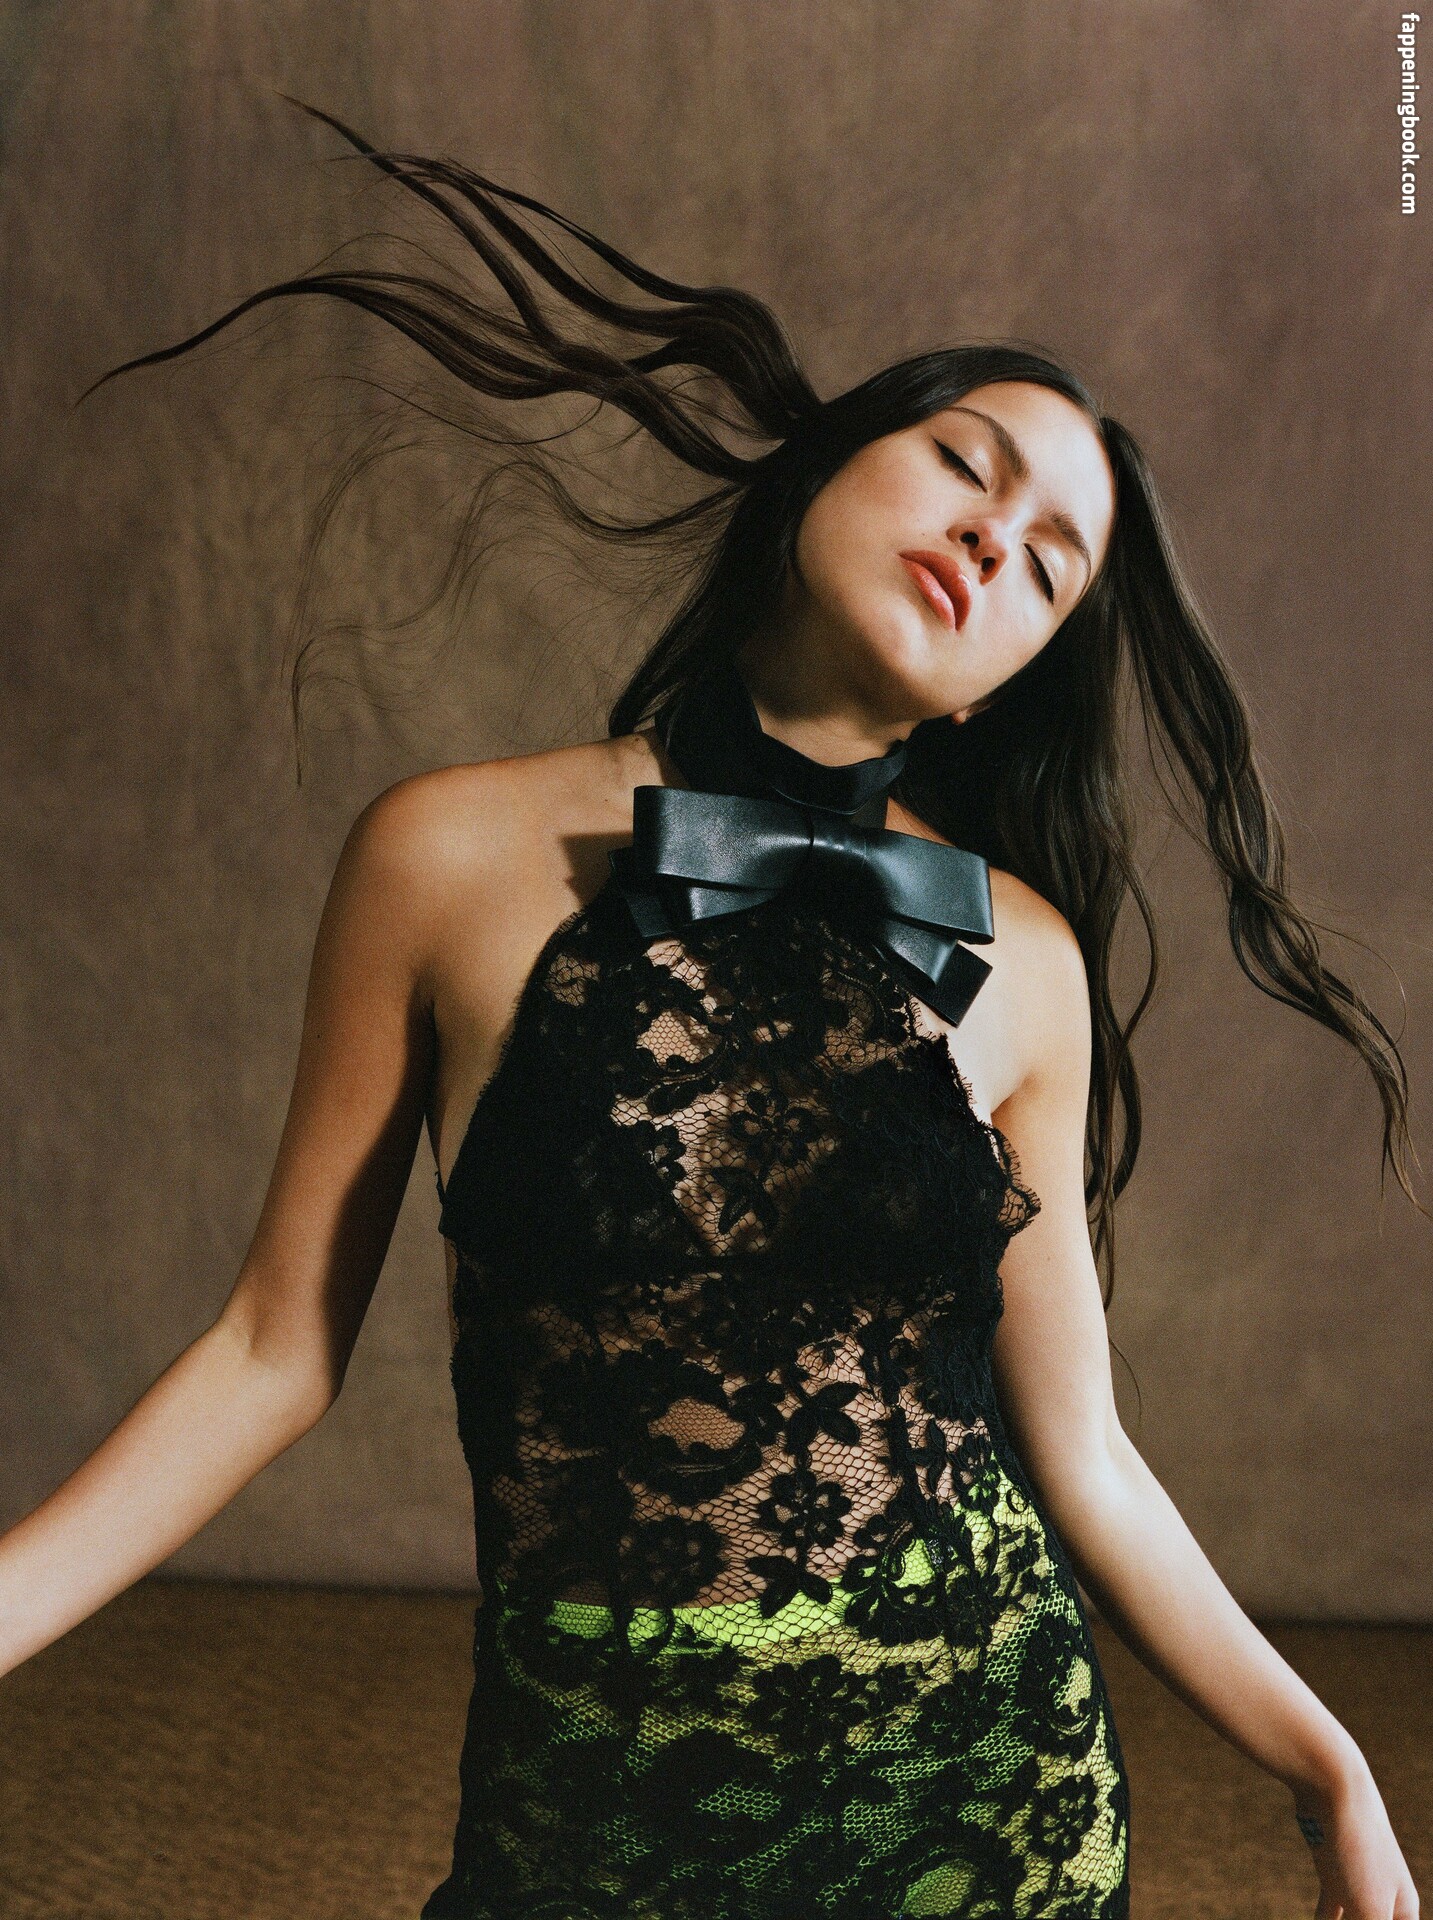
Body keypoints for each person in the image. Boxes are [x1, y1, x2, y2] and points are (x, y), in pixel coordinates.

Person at [4, 99, 1422, 1920]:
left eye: (1050, 563)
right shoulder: (446, 855)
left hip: (974, 1787)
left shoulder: (1023, 958)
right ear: (818, 472)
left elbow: (1080, 1453)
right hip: (591, 1800)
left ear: (1000, 689)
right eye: (964, 465)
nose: (993, 538)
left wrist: (1329, 1766)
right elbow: (273, 1351)